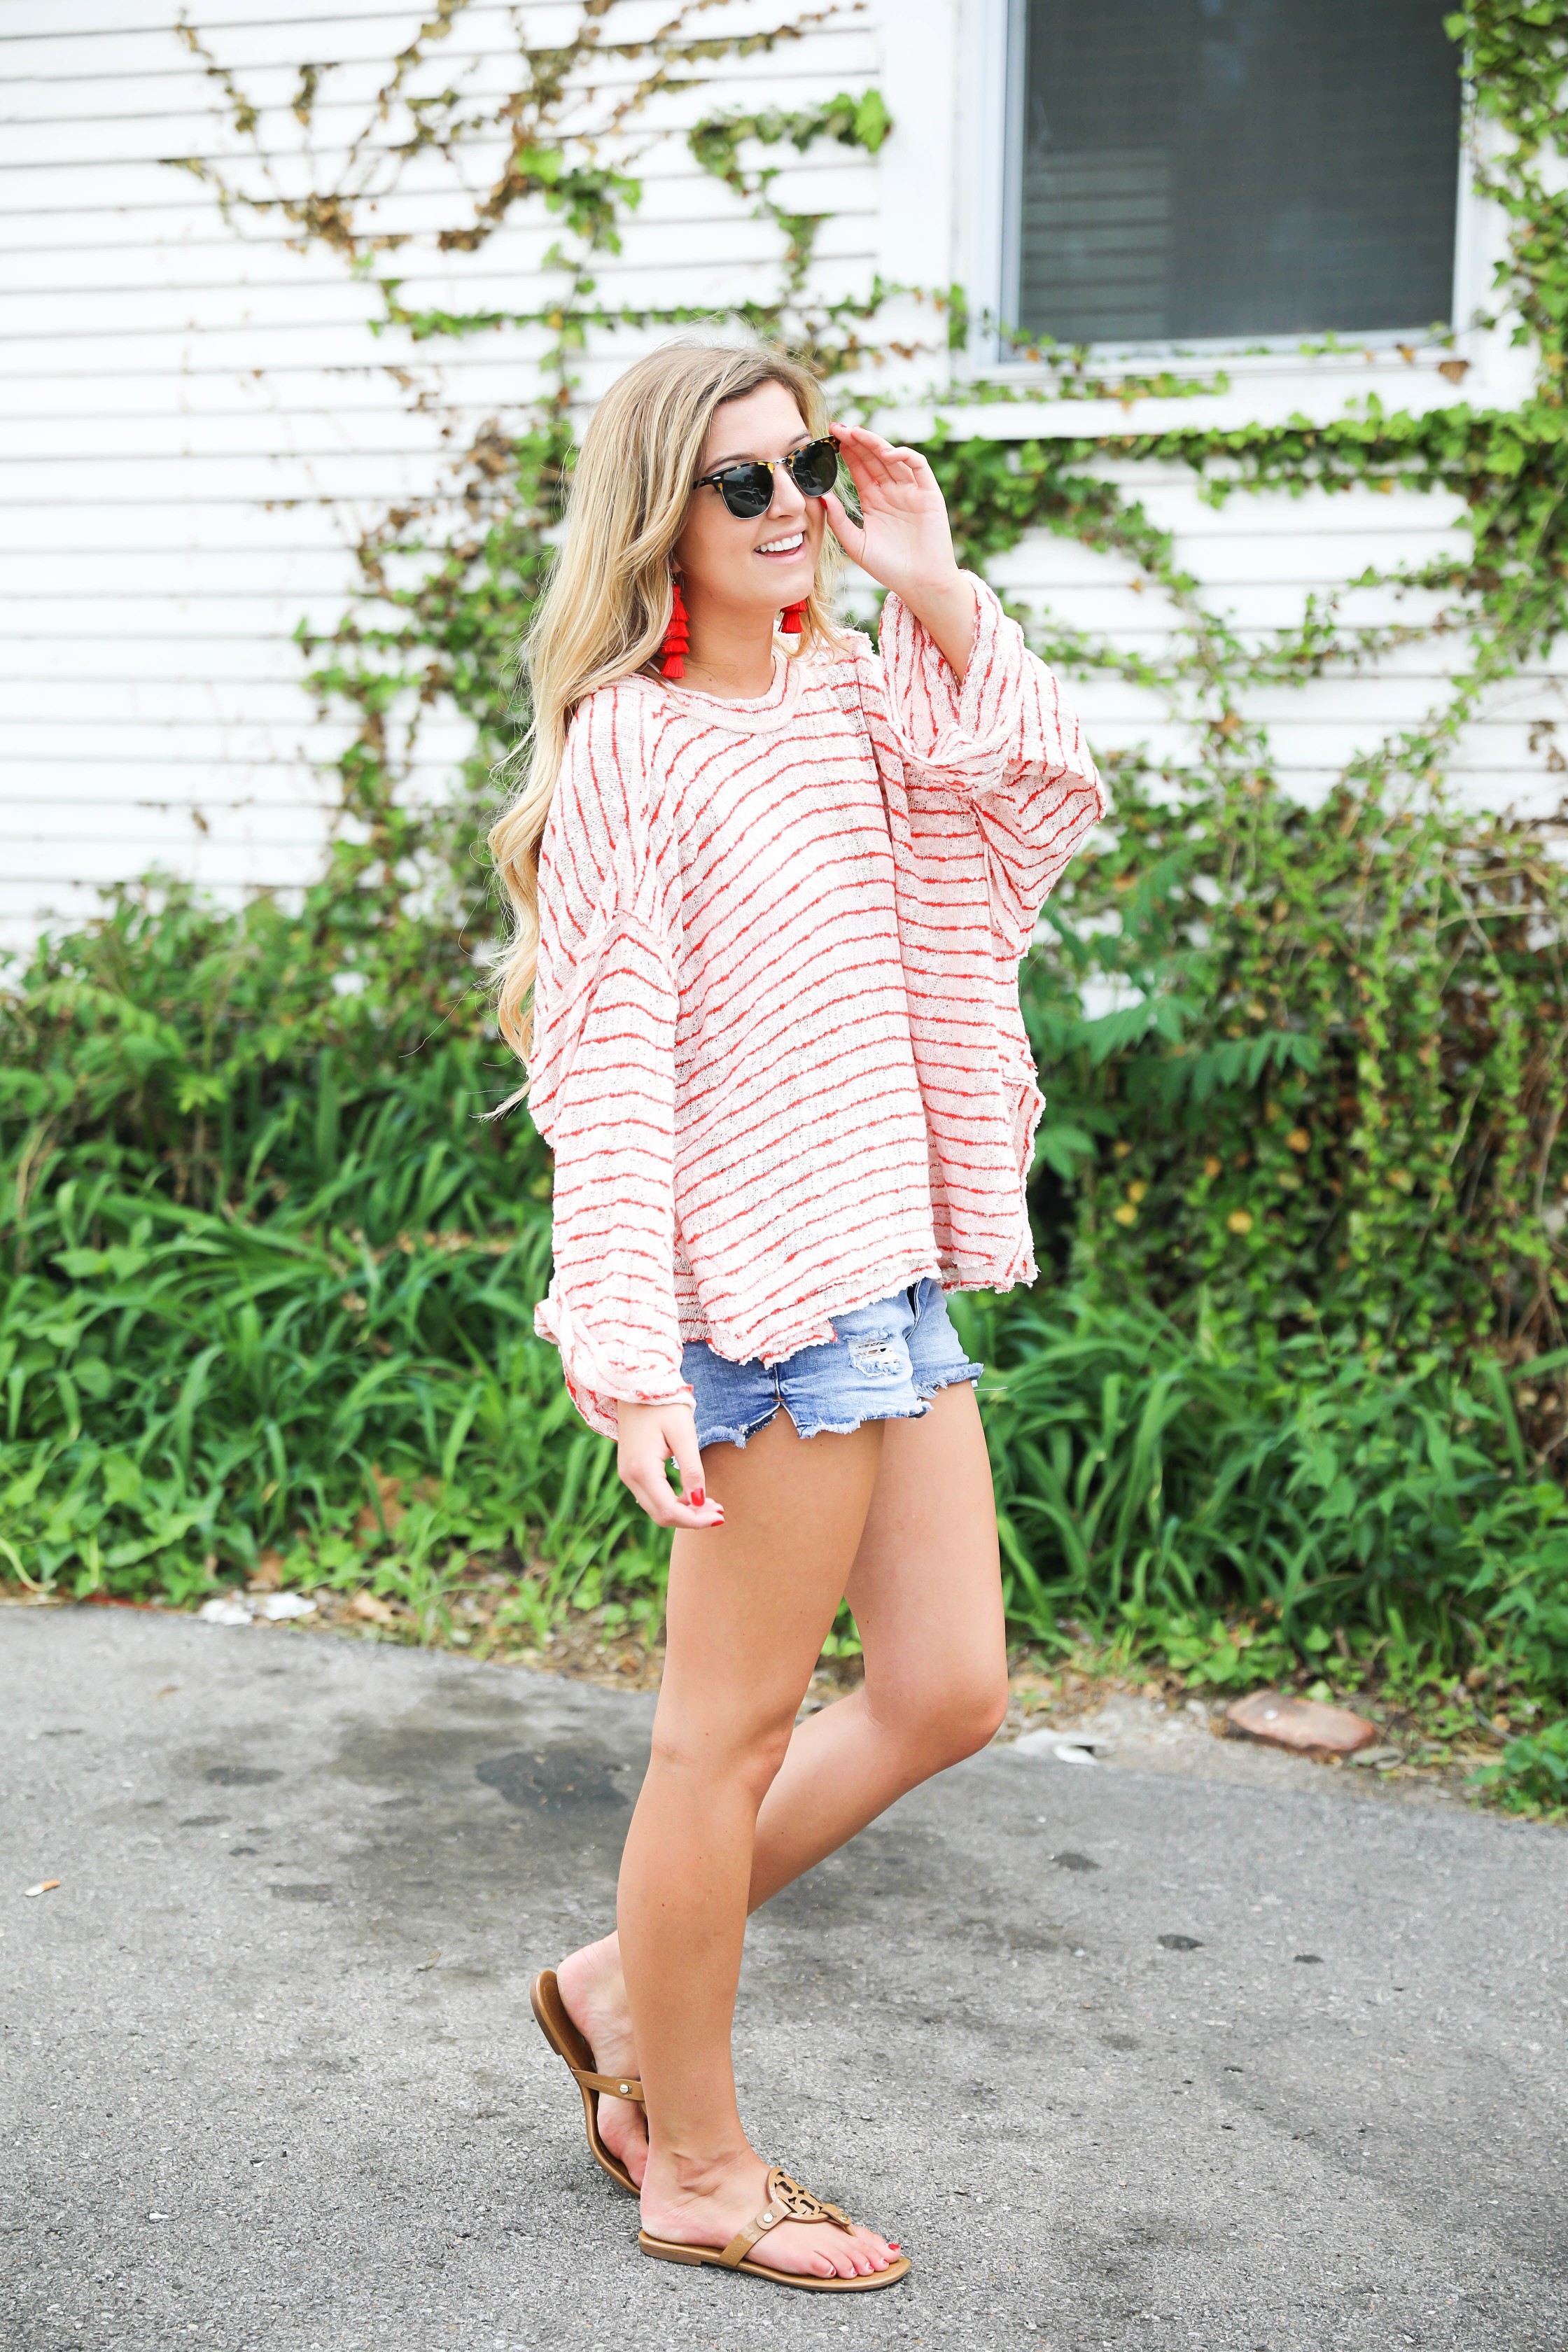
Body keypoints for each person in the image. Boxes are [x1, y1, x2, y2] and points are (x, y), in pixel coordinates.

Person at [488, 340, 1103, 2292]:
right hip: (754, 1297)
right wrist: (628, 1357)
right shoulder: (635, 746)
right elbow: (608, 1062)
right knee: (723, 1742)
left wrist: (924, 577)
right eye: (739, 484)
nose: (782, 513)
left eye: (802, 470)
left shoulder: (856, 688)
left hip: (889, 1261)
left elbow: (1038, 801)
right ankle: (701, 2162)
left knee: (948, 1693)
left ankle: (614, 1986)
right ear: (659, 515)